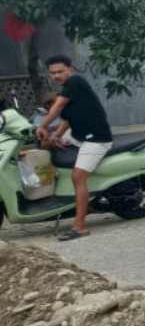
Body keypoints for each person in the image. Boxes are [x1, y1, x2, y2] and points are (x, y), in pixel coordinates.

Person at [35, 55, 114, 241]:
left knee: (77, 176)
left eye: (60, 71)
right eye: (52, 73)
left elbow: (58, 107)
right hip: (79, 135)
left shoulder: (75, 81)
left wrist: (43, 126)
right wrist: (56, 134)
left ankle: (79, 227)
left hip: (96, 138)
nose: (56, 75)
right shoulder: (68, 88)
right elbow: (67, 117)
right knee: (48, 147)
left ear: (70, 69)